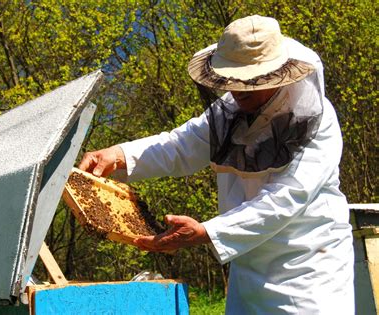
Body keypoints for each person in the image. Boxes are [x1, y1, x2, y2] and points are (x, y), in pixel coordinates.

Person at [78, 15, 354, 314]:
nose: (238, 89)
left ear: (277, 74)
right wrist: (118, 154)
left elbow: (286, 198)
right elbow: (179, 145)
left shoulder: (317, 121)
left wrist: (208, 232)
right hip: (246, 270)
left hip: (308, 270)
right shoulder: (230, 111)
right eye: (234, 79)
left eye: (250, 80)